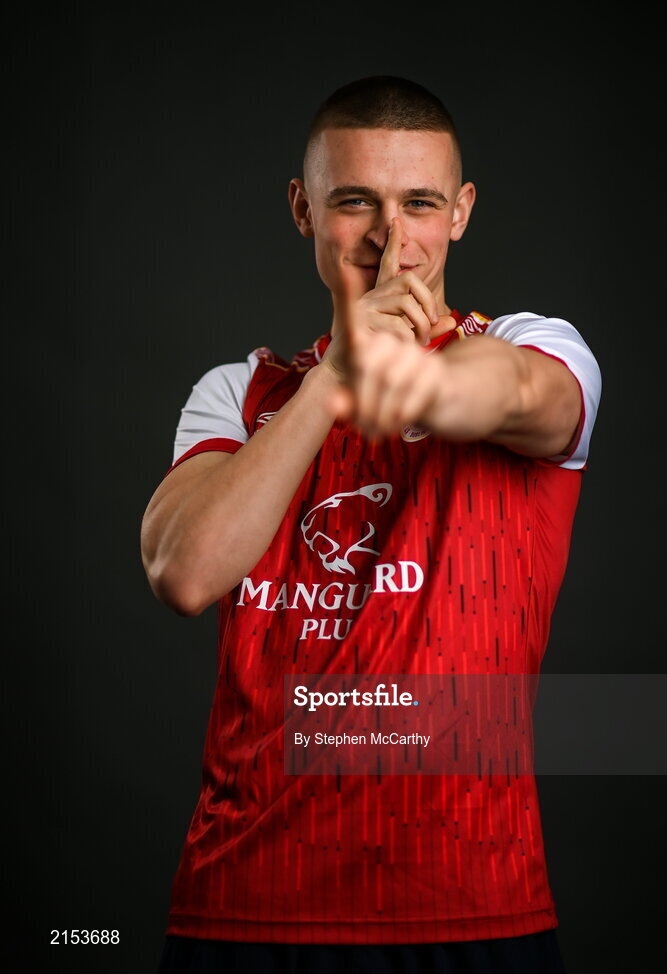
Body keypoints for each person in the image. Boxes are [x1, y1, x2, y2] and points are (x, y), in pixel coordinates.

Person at [141, 75, 601, 974]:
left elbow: (509, 393)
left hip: (474, 910)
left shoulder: (538, 347)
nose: (393, 239)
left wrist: (412, 377)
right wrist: (331, 385)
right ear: (302, 210)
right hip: (242, 908)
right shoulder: (239, 395)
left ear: (460, 213)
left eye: (420, 204)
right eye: (356, 203)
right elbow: (186, 573)